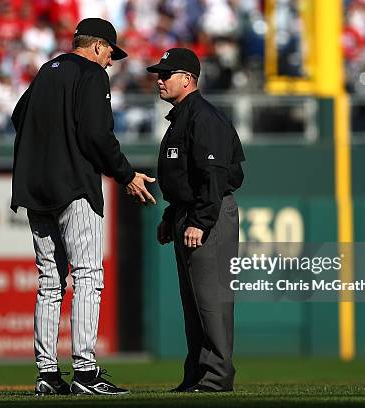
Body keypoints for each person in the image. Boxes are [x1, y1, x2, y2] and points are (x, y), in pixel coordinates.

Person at [11, 17, 156, 396]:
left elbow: (18, 116)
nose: (111, 60)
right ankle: (86, 372)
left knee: (49, 281)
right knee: (88, 274)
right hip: (73, 185)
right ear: (96, 47)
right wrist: (125, 174)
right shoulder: (91, 74)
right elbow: (95, 134)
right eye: (110, 51)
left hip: (35, 187)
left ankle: (47, 374)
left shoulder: (47, 70)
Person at [147, 48, 245, 393]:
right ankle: (197, 377)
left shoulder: (204, 117)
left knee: (211, 301)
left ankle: (216, 377)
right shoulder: (182, 118)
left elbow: (214, 176)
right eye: (159, 74)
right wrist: (171, 215)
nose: (159, 79)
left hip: (210, 213)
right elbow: (184, 178)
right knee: (194, 305)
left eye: (166, 74)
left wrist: (201, 221)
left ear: (187, 79)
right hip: (188, 212)